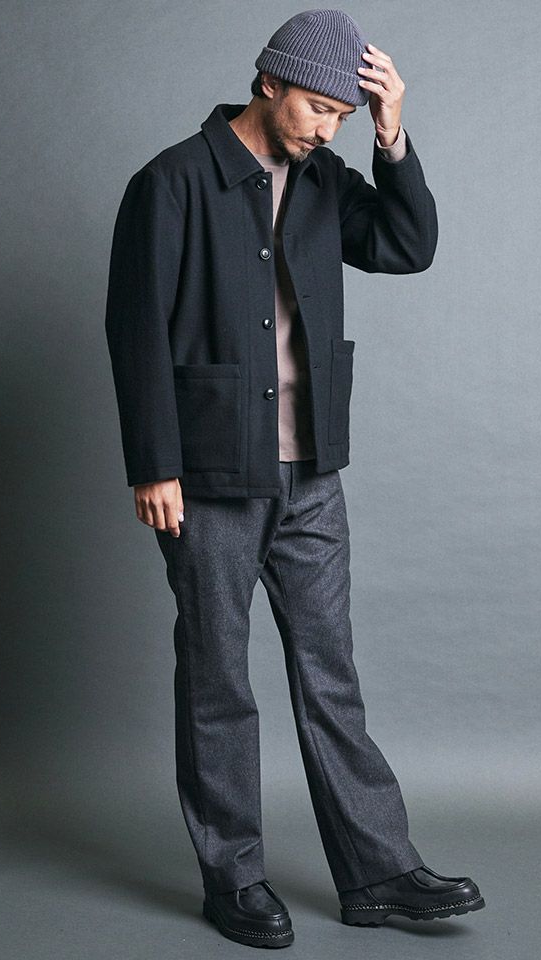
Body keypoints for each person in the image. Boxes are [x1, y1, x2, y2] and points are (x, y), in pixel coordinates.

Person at [105, 7, 484, 949]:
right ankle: (234, 880)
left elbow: (408, 246)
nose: (328, 129)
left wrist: (392, 136)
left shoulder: (326, 181)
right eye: (321, 109)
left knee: (331, 676)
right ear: (268, 81)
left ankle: (378, 873)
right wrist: (154, 463)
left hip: (311, 470)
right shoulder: (172, 181)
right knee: (218, 681)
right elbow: (135, 326)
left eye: (344, 117)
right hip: (209, 476)